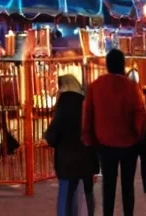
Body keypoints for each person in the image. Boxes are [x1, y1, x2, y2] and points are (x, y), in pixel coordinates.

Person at [82, 49, 146, 216]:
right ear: (123, 65)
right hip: (129, 145)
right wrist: (137, 135)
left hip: (105, 144)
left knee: (108, 186)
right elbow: (139, 114)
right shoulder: (132, 87)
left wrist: (90, 140)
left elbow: (87, 115)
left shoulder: (95, 86)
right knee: (128, 186)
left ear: (108, 65)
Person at [46, 73, 98, 216]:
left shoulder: (63, 106)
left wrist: (52, 139)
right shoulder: (87, 103)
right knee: (87, 193)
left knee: (66, 193)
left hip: (67, 159)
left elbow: (52, 135)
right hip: (87, 158)